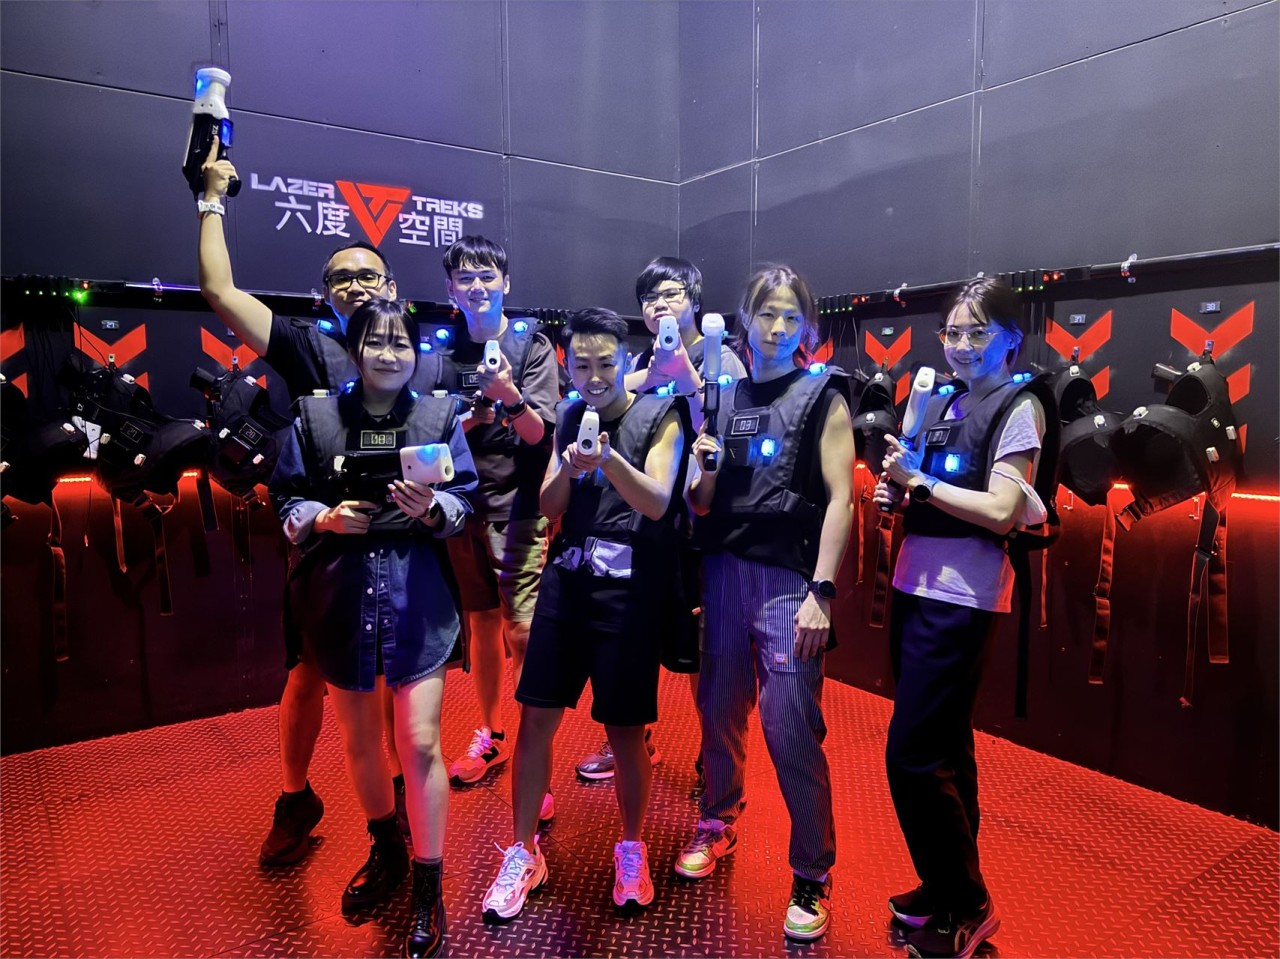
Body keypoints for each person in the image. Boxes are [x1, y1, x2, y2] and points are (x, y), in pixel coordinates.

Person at [198, 139, 442, 863]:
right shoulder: (306, 347)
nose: (357, 285)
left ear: (392, 285)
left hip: (404, 551)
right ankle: (297, 796)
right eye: (342, 278)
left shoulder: (418, 354)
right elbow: (219, 291)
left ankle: (398, 815)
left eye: (369, 274)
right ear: (322, 295)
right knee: (308, 677)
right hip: (327, 549)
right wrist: (211, 199)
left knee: (402, 691)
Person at [270, 298, 478, 958]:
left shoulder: (440, 415)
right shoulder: (314, 417)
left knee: (419, 743)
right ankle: (385, 846)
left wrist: (434, 508)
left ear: (416, 351)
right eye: (376, 342)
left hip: (417, 593)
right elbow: (284, 496)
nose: (390, 354)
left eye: (401, 342)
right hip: (340, 593)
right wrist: (323, 517)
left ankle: (428, 884)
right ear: (355, 350)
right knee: (360, 741)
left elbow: (464, 500)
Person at [480, 308, 690, 921]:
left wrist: (608, 461)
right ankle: (523, 852)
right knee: (534, 720)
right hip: (566, 588)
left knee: (625, 732)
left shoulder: (661, 413)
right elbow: (549, 505)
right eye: (582, 365)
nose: (594, 377)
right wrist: (570, 467)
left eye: (605, 364)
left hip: (629, 595)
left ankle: (632, 847)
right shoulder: (569, 416)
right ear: (567, 366)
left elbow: (658, 502)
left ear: (625, 361)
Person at [678, 265, 854, 943]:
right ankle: (717, 820)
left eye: (790, 317)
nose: (777, 328)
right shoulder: (721, 395)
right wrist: (703, 468)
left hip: (789, 583)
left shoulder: (822, 395)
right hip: (723, 572)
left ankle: (812, 870)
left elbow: (841, 499)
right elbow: (701, 502)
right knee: (718, 709)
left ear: (805, 326)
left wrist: (823, 591)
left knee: (790, 726)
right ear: (744, 320)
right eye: (766, 315)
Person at [874, 276, 1046, 959]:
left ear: (1011, 339)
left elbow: (1003, 510)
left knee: (912, 756)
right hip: (915, 583)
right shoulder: (943, 400)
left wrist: (920, 483)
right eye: (953, 331)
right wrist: (898, 488)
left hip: (963, 597)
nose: (963, 344)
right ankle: (947, 887)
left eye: (979, 331)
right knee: (945, 749)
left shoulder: (1018, 408)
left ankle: (968, 903)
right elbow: (921, 489)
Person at [576, 256, 746, 788]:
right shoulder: (640, 361)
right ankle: (629, 737)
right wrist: (648, 374)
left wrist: (687, 379)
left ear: (695, 299)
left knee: (702, 655)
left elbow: (729, 432)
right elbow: (609, 406)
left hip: (699, 522)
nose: (660, 305)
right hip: (643, 521)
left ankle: (715, 763)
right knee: (633, 639)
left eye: (671, 293)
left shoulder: (722, 357)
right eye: (649, 298)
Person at [438, 238, 560, 828]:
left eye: (486, 275)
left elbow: (540, 434)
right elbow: (432, 428)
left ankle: (536, 765)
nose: (477, 286)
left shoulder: (532, 345)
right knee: (481, 626)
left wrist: (508, 398)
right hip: (462, 507)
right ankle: (491, 733)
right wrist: (468, 418)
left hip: (519, 509)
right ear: (451, 290)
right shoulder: (441, 351)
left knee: (522, 630)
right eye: (465, 278)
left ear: (505, 283)